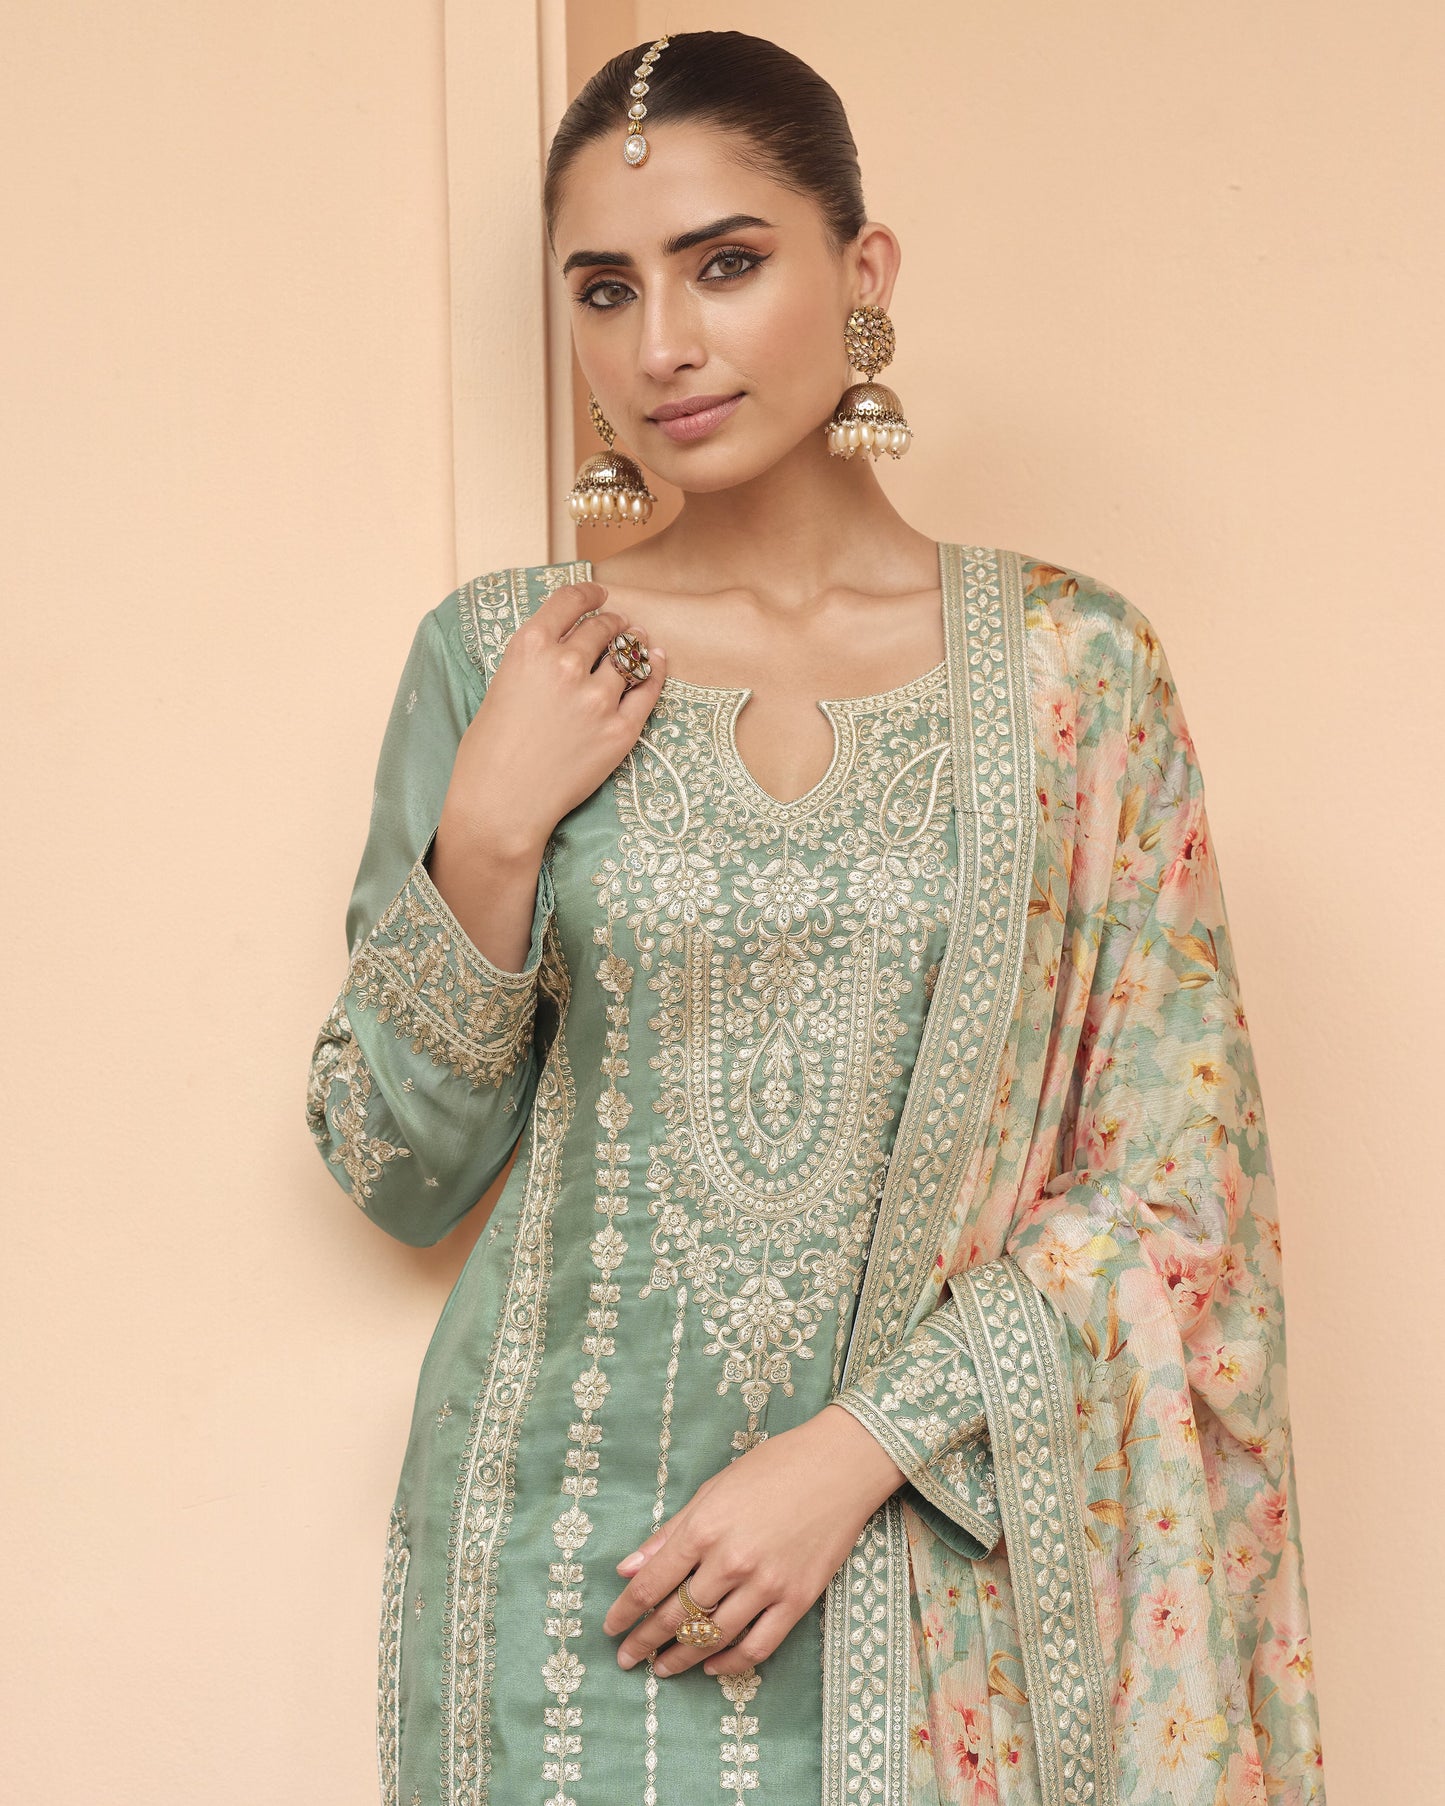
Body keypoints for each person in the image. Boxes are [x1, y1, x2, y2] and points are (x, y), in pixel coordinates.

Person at [305, 30, 1325, 1806]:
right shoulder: (503, 657)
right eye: (604, 290)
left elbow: (1178, 1187)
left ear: (862, 274)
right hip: (580, 1591)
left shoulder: (1073, 671)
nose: (660, 344)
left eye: (724, 263)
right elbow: (392, 1169)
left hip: (945, 1550)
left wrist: (849, 1452)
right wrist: (488, 831)